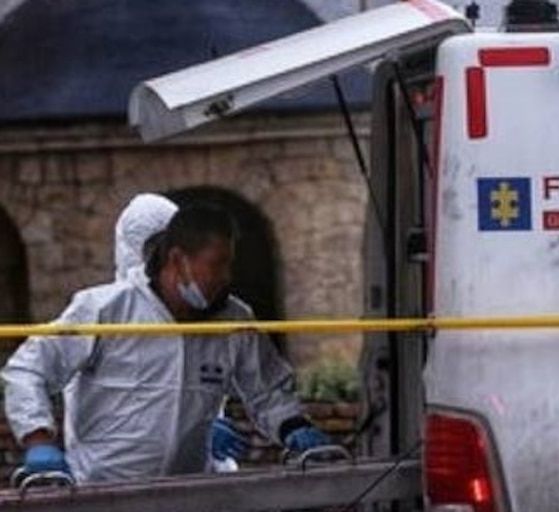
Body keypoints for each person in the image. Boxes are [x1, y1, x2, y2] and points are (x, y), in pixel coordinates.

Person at [2, 203, 330, 483]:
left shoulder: (233, 322)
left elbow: (267, 390)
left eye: (229, 265)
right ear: (177, 260)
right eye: (216, 265)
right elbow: (28, 369)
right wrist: (38, 440)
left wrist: (293, 426)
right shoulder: (105, 310)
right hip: (103, 493)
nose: (226, 277)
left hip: (189, 494)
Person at [113, 193, 245, 472]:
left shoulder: (196, 310)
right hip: (126, 477)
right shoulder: (108, 319)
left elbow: (202, 387)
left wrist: (212, 421)